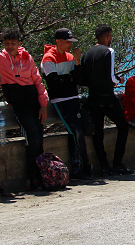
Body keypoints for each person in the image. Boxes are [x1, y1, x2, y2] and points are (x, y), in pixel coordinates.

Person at [81, 24, 133, 176]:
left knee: (98, 132)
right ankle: (117, 163)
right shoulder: (108, 51)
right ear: (108, 36)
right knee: (123, 126)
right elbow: (111, 77)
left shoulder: (87, 53)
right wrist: (118, 80)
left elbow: (84, 78)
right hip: (107, 97)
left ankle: (103, 166)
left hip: (93, 98)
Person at [0, 27, 48, 190]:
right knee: (32, 138)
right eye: (6, 43)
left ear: (19, 43)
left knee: (39, 140)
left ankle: (40, 177)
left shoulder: (27, 57)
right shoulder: (1, 59)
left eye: (13, 43)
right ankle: (32, 176)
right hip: (19, 105)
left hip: (34, 101)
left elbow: (38, 80)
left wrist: (43, 105)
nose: (10, 46)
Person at [41, 28, 92, 180]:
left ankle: (79, 168)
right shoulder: (48, 58)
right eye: (67, 41)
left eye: (71, 42)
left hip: (74, 98)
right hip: (61, 101)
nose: (70, 44)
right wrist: (69, 79)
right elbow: (54, 83)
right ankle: (83, 166)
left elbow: (79, 79)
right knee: (76, 132)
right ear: (58, 42)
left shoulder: (70, 56)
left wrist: (76, 62)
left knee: (76, 132)